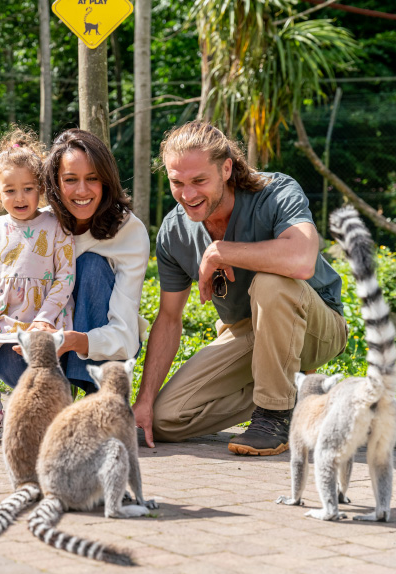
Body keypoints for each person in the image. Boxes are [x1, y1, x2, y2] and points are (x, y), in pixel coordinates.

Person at [133, 120, 347, 456]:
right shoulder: (173, 233)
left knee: (272, 282)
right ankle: (300, 393)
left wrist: (222, 251)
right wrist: (143, 402)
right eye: (177, 183)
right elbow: (170, 319)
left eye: (199, 181)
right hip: (248, 333)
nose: (188, 195)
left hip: (316, 327)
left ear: (226, 169)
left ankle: (273, 414)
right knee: (166, 420)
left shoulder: (275, 192)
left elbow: (302, 260)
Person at [0, 128, 150, 410]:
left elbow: (125, 336)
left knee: (90, 265)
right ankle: (54, 401)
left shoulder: (129, 232)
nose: (82, 191)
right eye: (70, 180)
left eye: (93, 179)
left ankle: (101, 397)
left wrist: (72, 341)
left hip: (98, 350)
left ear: (106, 181)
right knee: (5, 344)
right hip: (41, 346)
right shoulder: (36, 225)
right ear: (53, 184)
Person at [0, 128, 75, 446]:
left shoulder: (56, 226)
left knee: (45, 369)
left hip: (44, 319)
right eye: (10, 190)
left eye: (28, 188)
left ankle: (54, 418)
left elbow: (65, 277)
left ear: (40, 188)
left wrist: (47, 317)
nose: (20, 197)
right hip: (3, 319)